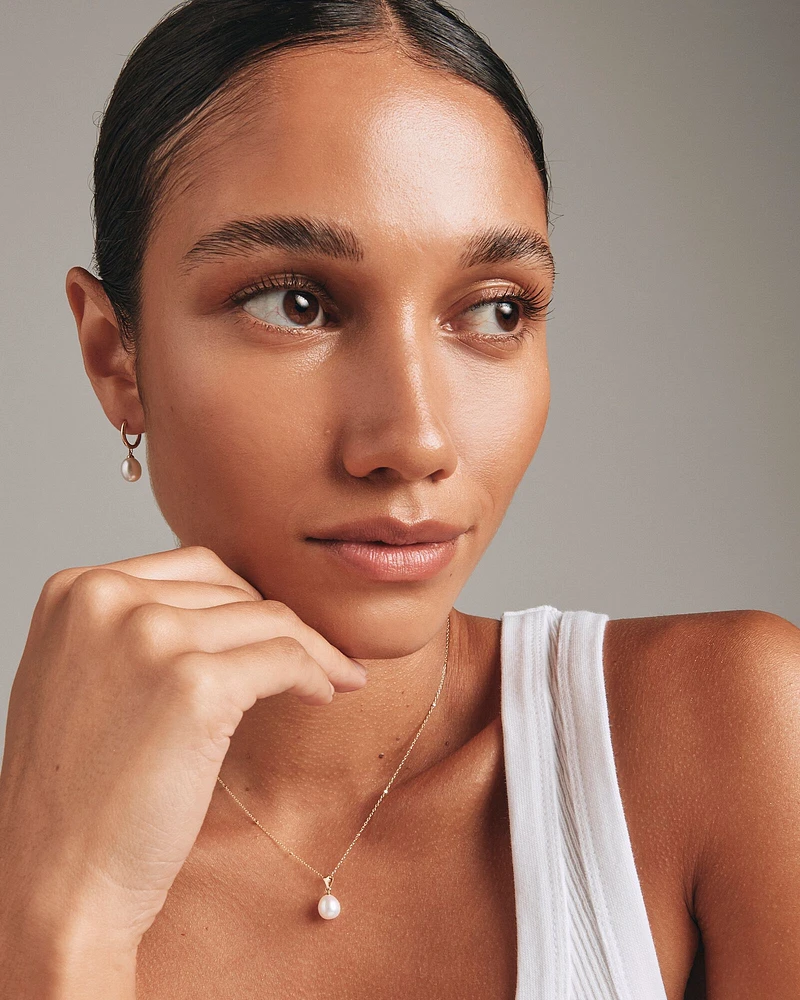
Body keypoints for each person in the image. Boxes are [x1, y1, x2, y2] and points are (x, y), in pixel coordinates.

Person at [1, 1, 798, 997]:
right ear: (115, 356)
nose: (415, 440)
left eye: (493, 310)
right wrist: (63, 925)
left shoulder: (722, 731)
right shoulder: (26, 870)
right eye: (295, 302)